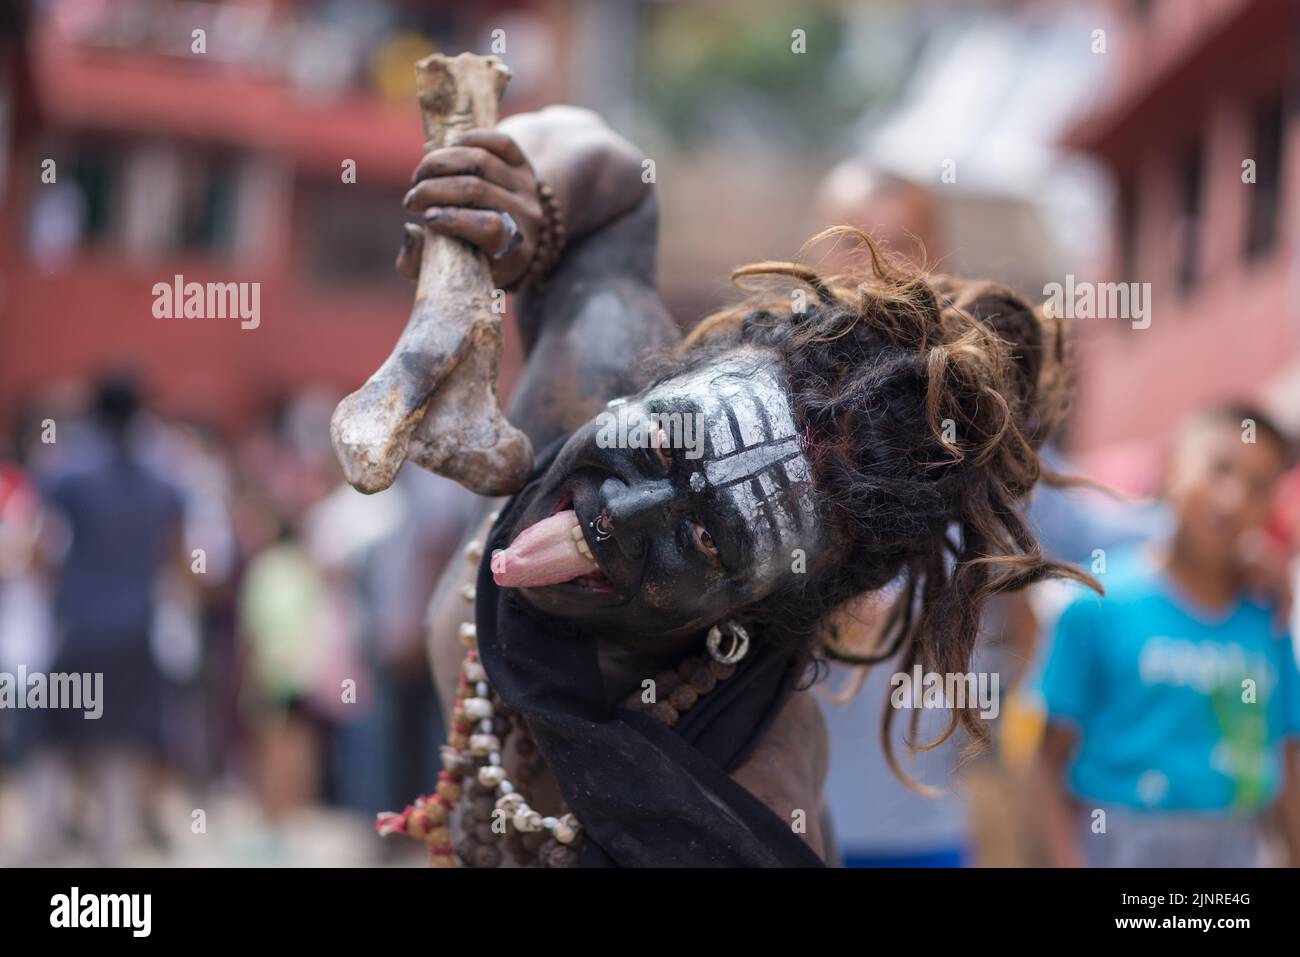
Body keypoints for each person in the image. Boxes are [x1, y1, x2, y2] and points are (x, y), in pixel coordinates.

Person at [377, 106, 1095, 867]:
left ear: (761, 608)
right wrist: (525, 192)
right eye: (658, 447)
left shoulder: (741, 796)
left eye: (706, 538)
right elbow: (615, 186)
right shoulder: (597, 379)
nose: (611, 518)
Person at [1031, 404, 1300, 867]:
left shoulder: (1268, 614)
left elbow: (1287, 759)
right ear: (1173, 465)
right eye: (1219, 469)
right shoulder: (1098, 605)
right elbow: (1046, 763)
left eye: (1258, 487)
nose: (1233, 498)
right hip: (1119, 846)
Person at [21, 374, 185, 865]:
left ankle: (42, 846)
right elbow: (178, 559)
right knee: (118, 749)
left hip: (77, 630)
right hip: (135, 634)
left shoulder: (68, 473)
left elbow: (39, 549)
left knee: (50, 742)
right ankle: (109, 857)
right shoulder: (164, 481)